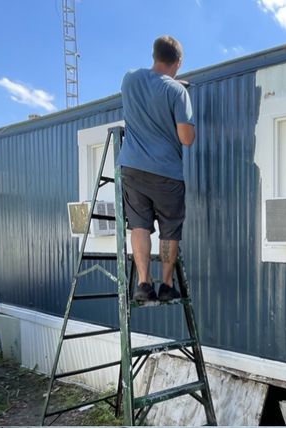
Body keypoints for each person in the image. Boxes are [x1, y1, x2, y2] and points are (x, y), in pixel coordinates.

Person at [117, 35, 195, 303]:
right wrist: (177, 97)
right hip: (166, 173)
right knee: (169, 229)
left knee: (139, 225)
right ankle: (166, 285)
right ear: (179, 61)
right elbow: (186, 138)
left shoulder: (130, 79)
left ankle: (143, 284)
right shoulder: (177, 92)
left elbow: (149, 91)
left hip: (132, 168)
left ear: (154, 55)